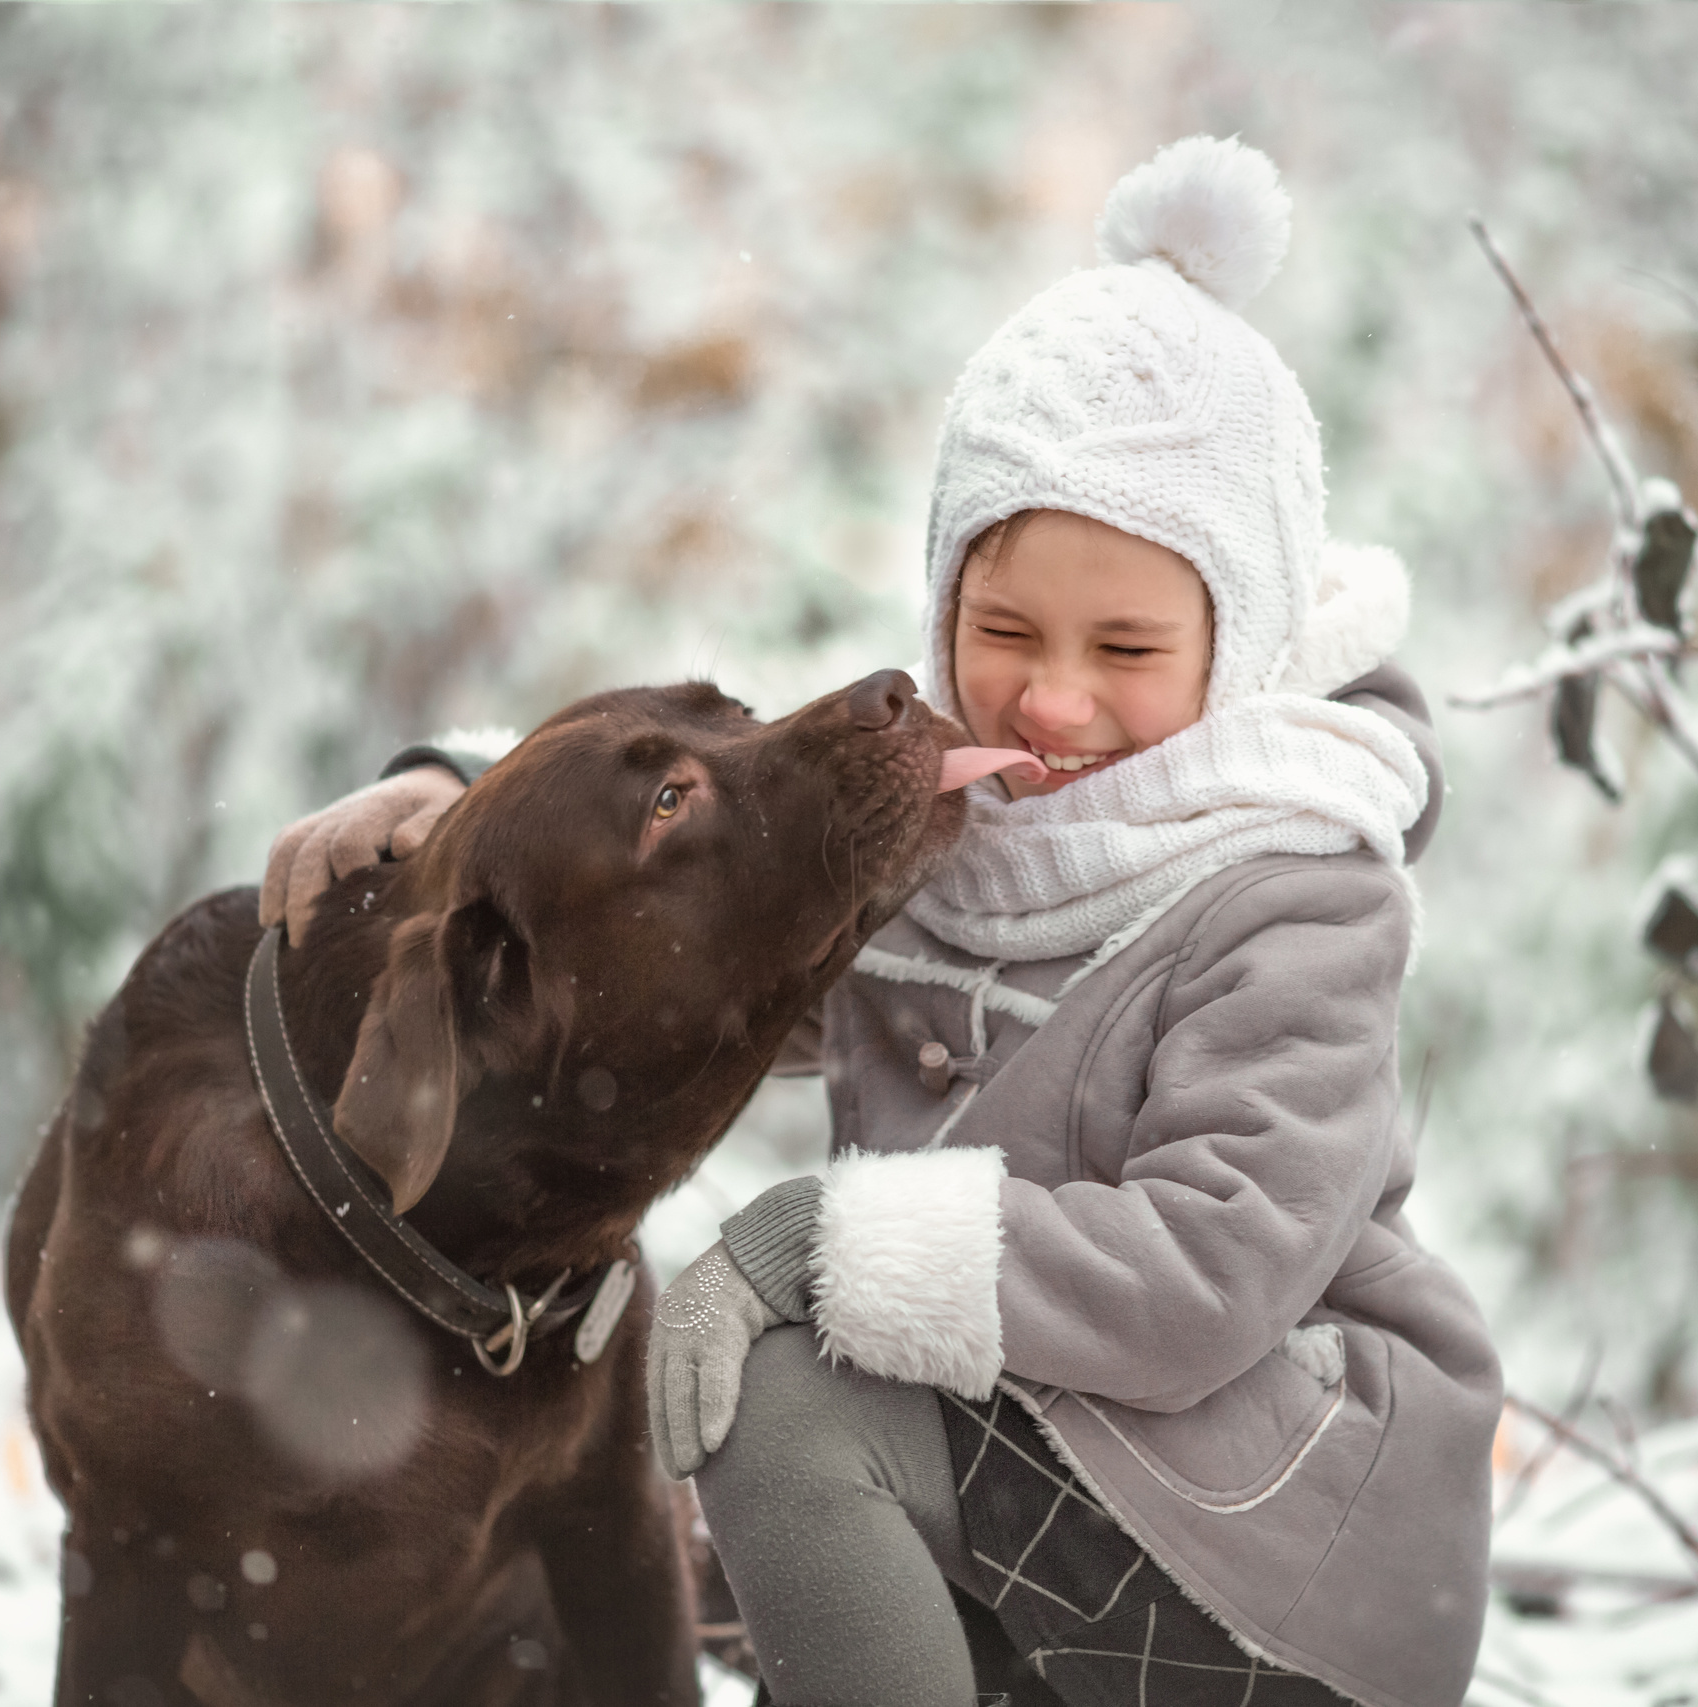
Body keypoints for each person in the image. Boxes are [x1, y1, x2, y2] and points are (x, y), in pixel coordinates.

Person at [262, 137, 1498, 1707]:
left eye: (1127, 645)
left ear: (1239, 638)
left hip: (1295, 1556)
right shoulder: (978, 835)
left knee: (776, 1390)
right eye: (1003, 632)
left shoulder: (1298, 889)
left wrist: (824, 1241)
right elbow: (709, 877)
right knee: (698, 1435)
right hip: (1094, 1485)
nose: (1053, 698)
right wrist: (466, 808)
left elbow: (1210, 1272)